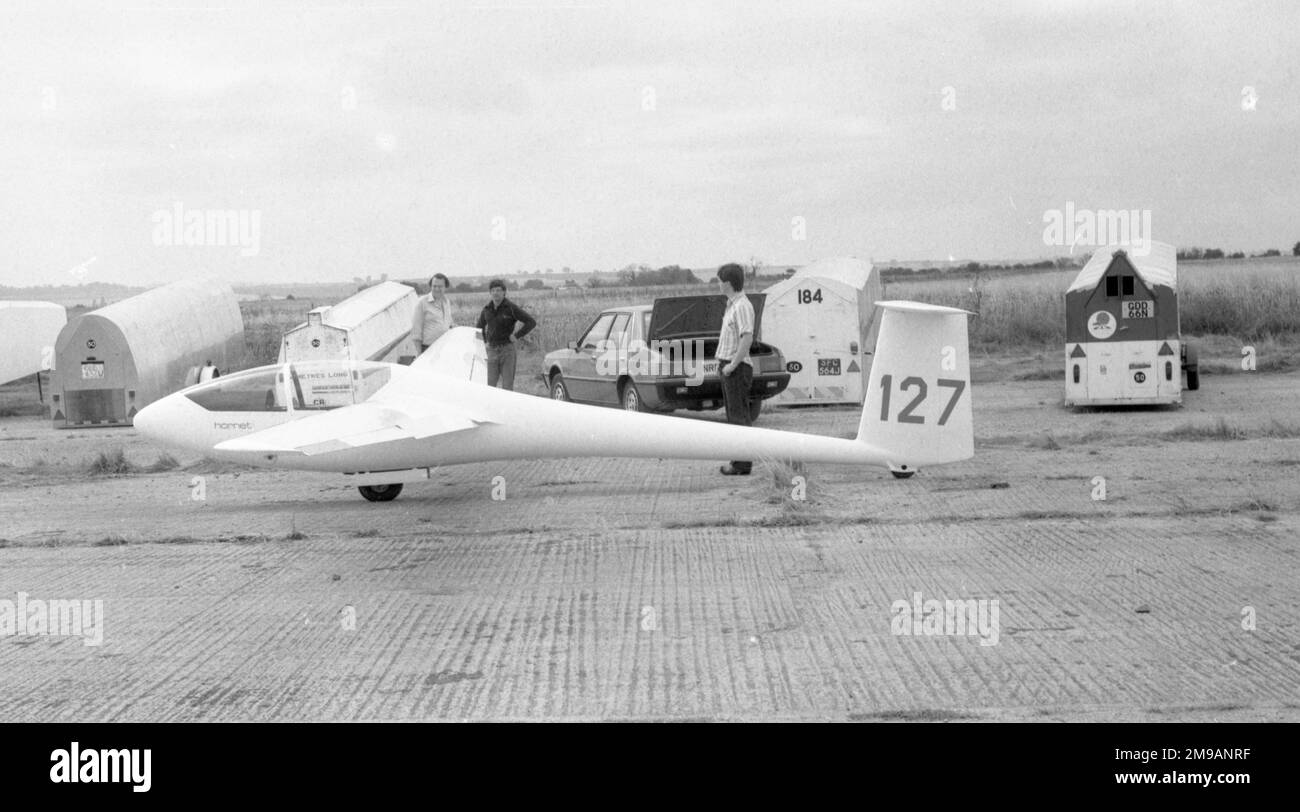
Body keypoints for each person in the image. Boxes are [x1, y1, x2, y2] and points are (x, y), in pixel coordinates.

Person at [714, 263, 755, 475]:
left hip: (736, 368)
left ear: (728, 283)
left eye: (720, 281)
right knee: (734, 416)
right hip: (729, 367)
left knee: (738, 417)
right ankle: (738, 461)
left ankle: (742, 464)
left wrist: (732, 365)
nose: (718, 285)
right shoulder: (732, 305)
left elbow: (746, 337)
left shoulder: (742, 306)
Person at [475, 279, 536, 390]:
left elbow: (531, 322)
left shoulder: (511, 308)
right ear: (490, 293)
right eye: (493, 290)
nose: (496, 293)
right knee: (489, 385)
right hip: (491, 351)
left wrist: (517, 336)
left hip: (507, 351)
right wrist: (484, 343)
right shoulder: (487, 309)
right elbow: (479, 328)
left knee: (507, 386)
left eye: (499, 290)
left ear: (504, 292)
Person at [412, 273, 455, 353]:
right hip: (428, 349)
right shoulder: (422, 302)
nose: (437, 289)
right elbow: (416, 331)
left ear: (445, 287)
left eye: (440, 286)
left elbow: (449, 323)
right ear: (431, 286)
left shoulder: (446, 302)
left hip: (444, 348)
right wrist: (419, 353)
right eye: (434, 286)